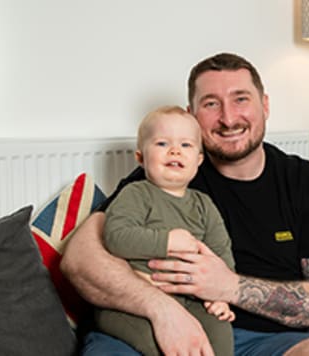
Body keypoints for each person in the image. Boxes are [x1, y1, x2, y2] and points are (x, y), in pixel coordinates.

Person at [61, 53, 309, 356]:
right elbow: (79, 259)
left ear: (264, 106)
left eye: (241, 99)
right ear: (192, 115)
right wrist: (163, 311)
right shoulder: (165, 174)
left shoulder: (305, 182)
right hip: (145, 330)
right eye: (211, 104)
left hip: (263, 342)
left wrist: (228, 287)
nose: (228, 118)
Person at [98, 106, 236, 356]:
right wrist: (167, 242)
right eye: (162, 143)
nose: (174, 150)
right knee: (163, 344)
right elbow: (116, 237)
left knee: (220, 330)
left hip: (191, 298)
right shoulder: (136, 194)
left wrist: (220, 295)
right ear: (140, 158)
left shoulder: (204, 204)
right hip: (135, 303)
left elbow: (221, 253)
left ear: (199, 160)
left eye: (186, 145)